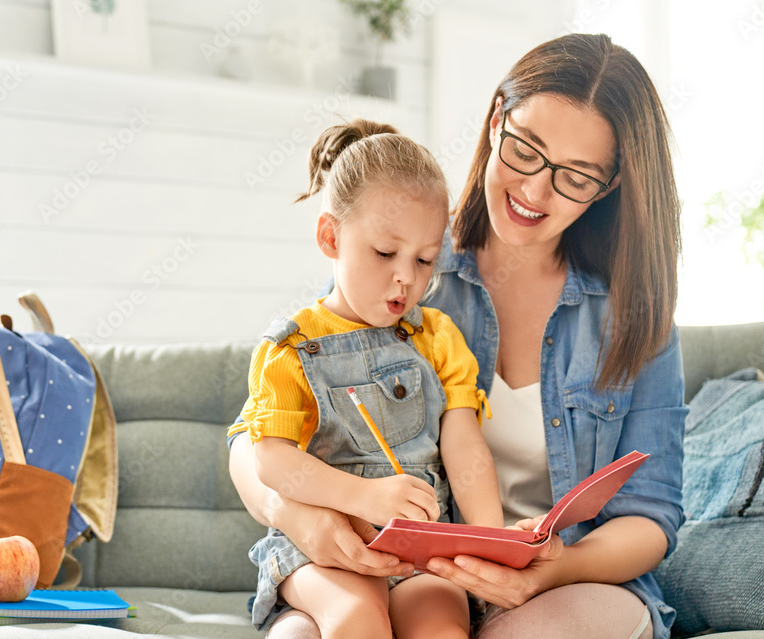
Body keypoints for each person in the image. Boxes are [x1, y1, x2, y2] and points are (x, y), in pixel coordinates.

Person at [229, 32, 686, 639]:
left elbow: (652, 516)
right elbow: (252, 445)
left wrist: (549, 569)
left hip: (564, 582)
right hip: (392, 563)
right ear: (497, 119)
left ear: (609, 188)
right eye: (526, 149)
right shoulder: (409, 266)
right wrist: (302, 520)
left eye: (575, 176)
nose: (534, 191)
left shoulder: (635, 317)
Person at [228, 118, 504, 638]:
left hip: (422, 550)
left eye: (425, 260)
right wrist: (367, 499)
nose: (407, 277)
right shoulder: (288, 350)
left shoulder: (439, 337)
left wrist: (491, 538)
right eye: (385, 253)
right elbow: (271, 460)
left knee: (443, 627)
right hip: (322, 551)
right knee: (359, 619)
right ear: (330, 237)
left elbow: (465, 443)